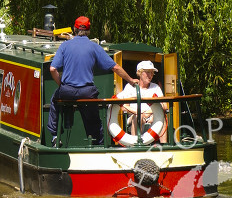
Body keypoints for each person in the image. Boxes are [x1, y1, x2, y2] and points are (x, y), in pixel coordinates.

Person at [48, 16, 136, 145]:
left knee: (55, 100)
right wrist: (131, 80)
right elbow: (115, 67)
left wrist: (61, 85)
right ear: (88, 31)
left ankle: (55, 135)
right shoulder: (94, 47)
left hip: (67, 91)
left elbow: (52, 69)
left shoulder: (65, 46)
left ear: (74, 29)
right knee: (93, 118)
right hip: (87, 92)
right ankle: (97, 143)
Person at [117, 60, 168, 141]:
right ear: (139, 73)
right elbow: (124, 107)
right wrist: (139, 112)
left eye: (152, 73)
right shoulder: (130, 87)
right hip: (135, 116)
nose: (150, 75)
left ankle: (164, 147)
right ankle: (136, 145)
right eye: (147, 72)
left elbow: (164, 105)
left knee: (162, 118)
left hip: (152, 116)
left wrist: (150, 113)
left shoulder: (156, 87)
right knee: (138, 117)